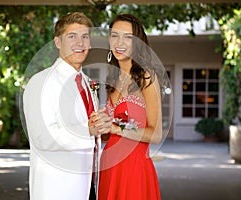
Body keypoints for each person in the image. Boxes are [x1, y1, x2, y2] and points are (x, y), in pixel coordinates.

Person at [23, 12, 112, 200]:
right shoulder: (41, 82)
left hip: (88, 184)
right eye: (72, 36)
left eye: (85, 37)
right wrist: (87, 130)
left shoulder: (85, 82)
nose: (80, 43)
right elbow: (42, 137)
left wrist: (103, 126)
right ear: (57, 42)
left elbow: (90, 129)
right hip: (57, 188)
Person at [98, 14, 162, 200]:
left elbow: (156, 135)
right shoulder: (113, 79)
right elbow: (110, 135)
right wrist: (99, 127)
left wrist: (116, 128)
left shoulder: (147, 78)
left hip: (134, 168)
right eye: (115, 35)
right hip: (109, 166)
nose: (120, 42)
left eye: (128, 37)